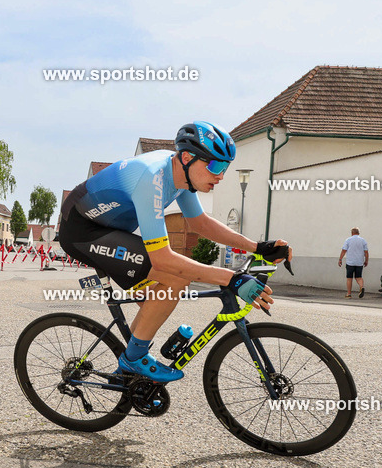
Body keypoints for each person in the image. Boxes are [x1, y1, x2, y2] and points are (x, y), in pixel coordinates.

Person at [58, 121, 292, 383]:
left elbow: (200, 222)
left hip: (111, 229)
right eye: (215, 166)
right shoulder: (153, 177)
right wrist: (231, 278)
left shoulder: (181, 177)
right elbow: (163, 259)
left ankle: (127, 375)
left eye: (225, 168)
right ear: (187, 157)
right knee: (175, 278)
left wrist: (257, 247)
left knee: (156, 301)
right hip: (82, 232)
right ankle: (133, 360)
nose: (221, 175)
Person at [337, 227, 368, 298]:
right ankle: (361, 287)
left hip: (350, 262)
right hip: (359, 262)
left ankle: (349, 294)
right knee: (359, 277)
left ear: (352, 233)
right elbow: (366, 252)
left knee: (349, 278)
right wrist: (366, 260)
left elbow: (344, 250)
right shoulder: (363, 241)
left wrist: (340, 259)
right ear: (358, 233)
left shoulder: (348, 240)